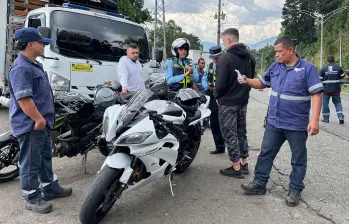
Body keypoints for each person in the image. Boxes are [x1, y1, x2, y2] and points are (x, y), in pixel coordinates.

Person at [238, 37, 323, 207]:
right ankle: (259, 184)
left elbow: (316, 94)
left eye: (279, 51)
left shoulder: (307, 69)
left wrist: (314, 120)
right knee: (266, 153)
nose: (276, 55)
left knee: (298, 158)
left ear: (290, 50)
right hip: (274, 122)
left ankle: (295, 189)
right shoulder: (275, 67)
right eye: (275, 51)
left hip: (296, 124)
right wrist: (246, 80)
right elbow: (261, 83)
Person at [8, 27, 72, 214]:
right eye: (41, 43)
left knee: (44, 158)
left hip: (42, 122)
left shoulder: (34, 64)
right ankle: (32, 197)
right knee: (30, 162)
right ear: (30, 44)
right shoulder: (21, 68)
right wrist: (38, 119)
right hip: (31, 125)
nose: (44, 45)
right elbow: (24, 100)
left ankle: (50, 187)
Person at [215, 28, 256, 178]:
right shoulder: (250, 57)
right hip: (243, 101)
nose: (224, 44)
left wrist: (217, 96)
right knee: (241, 132)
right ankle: (244, 163)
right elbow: (251, 79)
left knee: (229, 133)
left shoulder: (226, 58)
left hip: (228, 102)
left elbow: (219, 84)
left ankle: (236, 166)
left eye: (224, 41)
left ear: (229, 41)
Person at [206, 46, 225, 154]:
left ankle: (231, 148)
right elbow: (205, 79)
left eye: (217, 57)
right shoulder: (210, 66)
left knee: (226, 123)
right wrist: (207, 85)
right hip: (213, 96)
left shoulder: (226, 65)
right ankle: (219, 146)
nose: (215, 60)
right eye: (213, 58)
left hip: (224, 97)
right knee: (214, 122)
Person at [319, 55, 345, 124]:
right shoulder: (338, 67)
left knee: (325, 104)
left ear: (327, 60)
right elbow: (343, 75)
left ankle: (326, 118)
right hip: (336, 89)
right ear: (334, 60)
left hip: (326, 90)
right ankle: (340, 116)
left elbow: (320, 78)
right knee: (337, 103)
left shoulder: (323, 68)